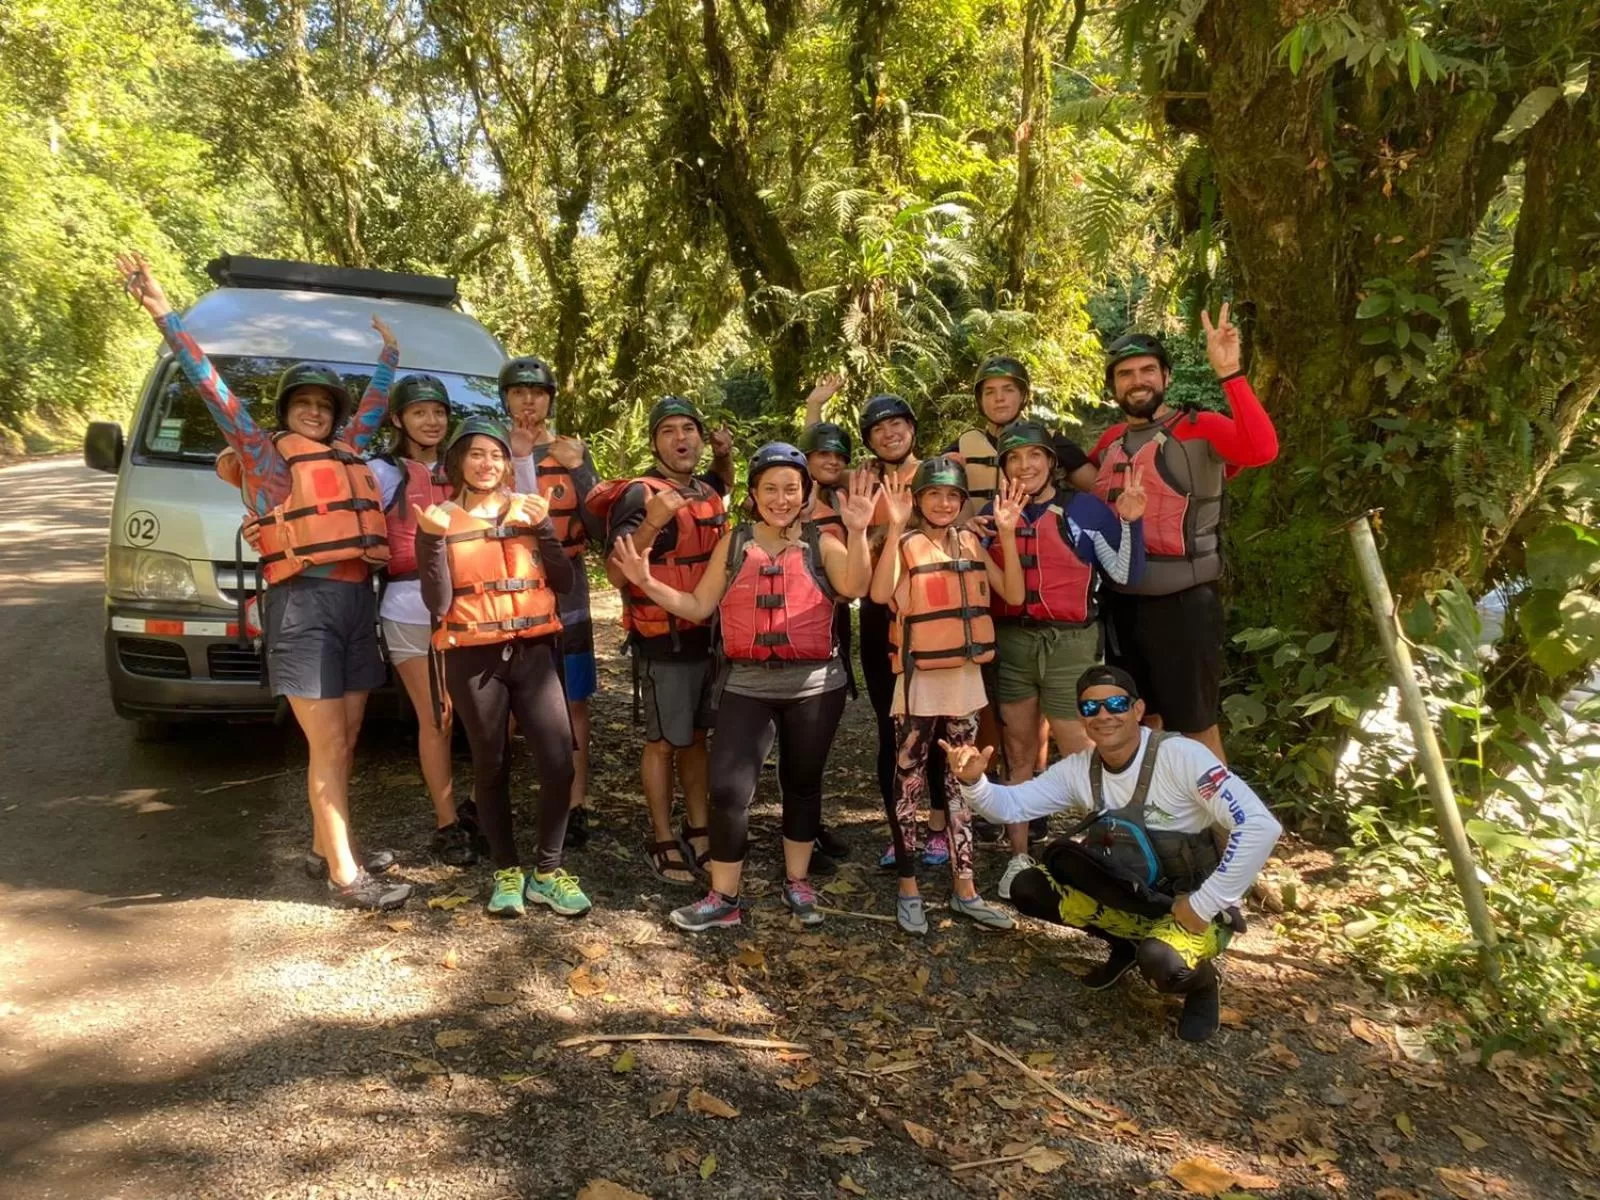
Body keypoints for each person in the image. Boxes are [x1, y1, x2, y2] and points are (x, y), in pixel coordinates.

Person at [115, 252, 411, 911]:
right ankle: (345, 875)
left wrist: (389, 355)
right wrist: (164, 312)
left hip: (354, 604)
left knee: (350, 735)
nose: (315, 412)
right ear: (286, 412)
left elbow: (372, 404)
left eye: (323, 405)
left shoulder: (349, 448)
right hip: (302, 605)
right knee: (328, 742)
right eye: (303, 404)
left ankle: (324, 847)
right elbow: (211, 388)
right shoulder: (264, 456)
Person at [610, 446, 878, 931]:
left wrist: (858, 530)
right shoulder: (735, 544)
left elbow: (855, 586)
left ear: (805, 493)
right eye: (770, 488)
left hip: (815, 685)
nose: (781, 498)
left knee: (802, 783)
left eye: (791, 489)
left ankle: (797, 881)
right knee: (728, 791)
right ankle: (724, 896)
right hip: (746, 683)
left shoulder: (824, 542)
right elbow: (697, 607)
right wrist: (645, 580)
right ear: (753, 494)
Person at [942, 665, 1282, 1042]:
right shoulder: (1080, 769)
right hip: (1133, 898)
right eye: (1090, 709)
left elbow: (1259, 825)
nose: (1104, 715)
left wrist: (1206, 903)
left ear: (1137, 710)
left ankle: (1201, 984)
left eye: (1115, 704)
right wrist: (973, 781)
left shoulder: (1182, 757)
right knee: (1026, 886)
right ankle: (1126, 944)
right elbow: (1012, 806)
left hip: (1193, 910)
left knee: (1162, 964)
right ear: (1082, 719)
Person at [415, 417, 591, 918]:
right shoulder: (441, 519)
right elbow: (439, 598)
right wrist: (428, 541)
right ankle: (507, 871)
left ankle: (548, 872)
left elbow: (561, 580)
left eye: (495, 454)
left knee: (559, 760)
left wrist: (542, 528)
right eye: (475, 454)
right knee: (491, 765)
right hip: (474, 656)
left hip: (534, 652)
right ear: (458, 464)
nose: (487, 463)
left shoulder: (528, 510)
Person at [1089, 305, 1278, 761]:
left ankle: (1222, 828)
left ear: (1166, 377)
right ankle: (1155, 820)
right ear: (1114, 386)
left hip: (1185, 605)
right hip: (1122, 605)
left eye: (1148, 371)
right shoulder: (1109, 442)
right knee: (1139, 721)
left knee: (1194, 726)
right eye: (1126, 374)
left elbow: (1262, 449)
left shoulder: (1201, 429)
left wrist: (1229, 373)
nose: (1138, 381)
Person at [982, 421, 1150, 901]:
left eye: (1034, 457)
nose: (1024, 467)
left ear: (1052, 462)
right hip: (1014, 642)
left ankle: (1099, 857)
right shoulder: (991, 516)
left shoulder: (1083, 510)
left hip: (1072, 642)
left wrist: (1131, 522)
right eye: (1013, 459)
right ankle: (1018, 859)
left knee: (1081, 750)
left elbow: (1124, 573)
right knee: (1018, 752)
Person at [869, 456, 1027, 934]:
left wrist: (1005, 535)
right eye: (934, 494)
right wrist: (894, 526)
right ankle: (909, 887)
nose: (943, 502)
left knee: (961, 785)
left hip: (964, 681)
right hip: (918, 682)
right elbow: (879, 595)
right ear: (919, 500)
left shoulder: (971, 542)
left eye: (952, 496)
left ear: (961, 503)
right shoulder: (906, 544)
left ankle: (965, 888)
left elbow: (1014, 595)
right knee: (909, 782)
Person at [593, 396, 735, 885]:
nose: (681, 438)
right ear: (654, 442)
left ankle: (698, 828)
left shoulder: (704, 487)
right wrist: (652, 519)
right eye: (669, 430)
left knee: (696, 739)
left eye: (689, 429)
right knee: (662, 743)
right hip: (664, 641)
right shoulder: (639, 495)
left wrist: (724, 456)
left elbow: (722, 487)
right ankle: (661, 837)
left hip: (708, 637)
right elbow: (616, 573)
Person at [368, 374, 479, 865]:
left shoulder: (466, 468)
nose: (431, 421)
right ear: (398, 419)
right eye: (419, 412)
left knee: (488, 712)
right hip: (408, 606)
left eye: (438, 412)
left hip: (468, 606)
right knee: (438, 716)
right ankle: (447, 823)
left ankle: (475, 807)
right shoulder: (381, 472)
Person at [498, 356, 605, 848]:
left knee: (575, 700)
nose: (528, 401)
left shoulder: (571, 451)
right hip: (509, 590)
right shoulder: (490, 449)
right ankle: (492, 800)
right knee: (507, 704)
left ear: (549, 399)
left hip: (569, 591)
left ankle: (575, 803)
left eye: (537, 393)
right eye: (519, 393)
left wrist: (580, 469)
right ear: (505, 399)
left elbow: (600, 522)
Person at [853, 394, 954, 869]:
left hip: (934, 610)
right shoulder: (864, 484)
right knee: (892, 727)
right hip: (881, 613)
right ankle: (902, 829)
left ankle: (938, 824)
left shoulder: (938, 472)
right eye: (878, 429)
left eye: (897, 424)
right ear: (870, 440)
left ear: (912, 428)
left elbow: (958, 531)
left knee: (937, 723)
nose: (889, 433)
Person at [948, 355, 1097, 511]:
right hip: (978, 532)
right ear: (980, 400)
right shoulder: (963, 444)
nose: (999, 398)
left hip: (1038, 531)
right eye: (989, 392)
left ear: (1023, 395)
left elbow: (1099, 489)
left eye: (1008, 390)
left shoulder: (1051, 441)